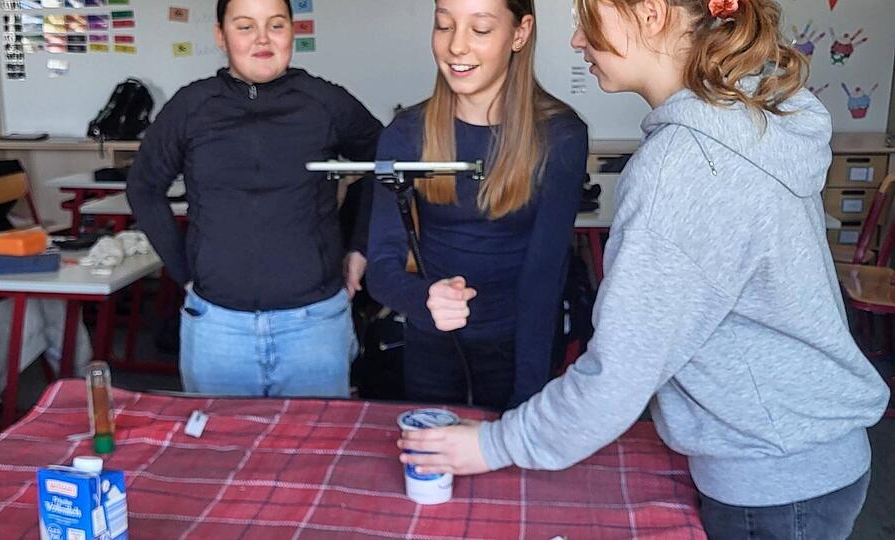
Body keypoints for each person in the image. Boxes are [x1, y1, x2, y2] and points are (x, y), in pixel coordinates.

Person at [397, 0, 890, 537]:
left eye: (587, 20)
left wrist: (492, 444)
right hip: (810, 456)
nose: (577, 41)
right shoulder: (747, 120)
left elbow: (617, 378)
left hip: (773, 480)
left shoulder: (683, 167)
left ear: (651, 14)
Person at [127, 0, 382, 398]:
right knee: (220, 438)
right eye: (245, 26)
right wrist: (186, 272)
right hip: (217, 326)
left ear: (292, 31)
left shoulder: (325, 101)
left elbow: (385, 165)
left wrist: (359, 246)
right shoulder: (192, 106)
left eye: (276, 25)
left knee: (313, 437)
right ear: (221, 35)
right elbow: (143, 187)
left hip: (314, 325)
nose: (262, 39)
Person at [365, 0, 588, 411]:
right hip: (429, 349)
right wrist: (423, 298)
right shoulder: (405, 133)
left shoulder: (561, 136)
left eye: (480, 29)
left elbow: (545, 278)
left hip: (518, 349)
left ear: (520, 33)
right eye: (444, 25)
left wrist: (526, 400)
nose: (456, 46)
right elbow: (380, 265)